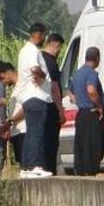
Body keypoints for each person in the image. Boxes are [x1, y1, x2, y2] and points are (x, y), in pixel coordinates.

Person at [15, 23, 54, 178]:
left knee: (31, 132)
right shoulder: (32, 50)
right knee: (36, 132)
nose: (44, 39)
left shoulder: (25, 50)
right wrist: (43, 77)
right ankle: (33, 165)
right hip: (36, 95)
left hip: (29, 96)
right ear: (38, 35)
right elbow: (34, 68)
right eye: (44, 36)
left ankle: (26, 165)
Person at [70, 47, 104, 176]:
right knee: (91, 146)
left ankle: (81, 172)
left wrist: (78, 100)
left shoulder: (77, 73)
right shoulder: (91, 73)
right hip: (91, 113)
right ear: (97, 58)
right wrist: (99, 106)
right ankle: (90, 172)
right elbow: (91, 90)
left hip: (81, 113)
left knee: (81, 145)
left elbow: (70, 91)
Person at [41, 33, 67, 175]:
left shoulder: (39, 58)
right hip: (51, 107)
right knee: (51, 143)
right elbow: (55, 88)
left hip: (41, 105)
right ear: (55, 45)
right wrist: (60, 110)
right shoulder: (51, 62)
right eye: (59, 48)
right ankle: (50, 171)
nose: (59, 51)